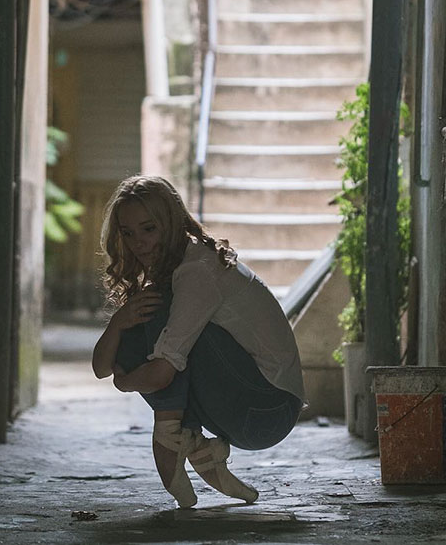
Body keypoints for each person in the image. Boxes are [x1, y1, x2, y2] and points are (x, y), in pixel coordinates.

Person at [92, 175, 305, 508]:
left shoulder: (196, 270)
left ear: (171, 222)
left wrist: (125, 382)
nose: (139, 244)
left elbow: (159, 375)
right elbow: (101, 368)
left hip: (268, 409)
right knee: (139, 319)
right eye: (128, 233)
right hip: (246, 407)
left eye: (149, 229)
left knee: (160, 314)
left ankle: (170, 438)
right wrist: (118, 322)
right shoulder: (180, 268)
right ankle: (196, 446)